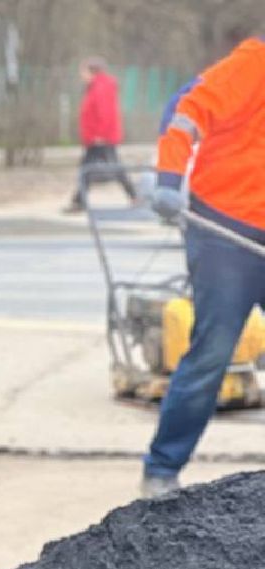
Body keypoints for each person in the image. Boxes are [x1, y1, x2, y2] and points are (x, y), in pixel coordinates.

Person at [142, 35, 265, 498]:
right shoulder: (255, 64)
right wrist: (169, 180)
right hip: (223, 232)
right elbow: (189, 115)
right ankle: (161, 470)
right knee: (213, 351)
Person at [66, 58, 137, 212]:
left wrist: (100, 134)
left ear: (92, 71)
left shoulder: (100, 87)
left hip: (101, 138)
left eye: (83, 71)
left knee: (107, 167)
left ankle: (133, 195)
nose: (81, 75)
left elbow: (104, 112)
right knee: (90, 167)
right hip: (96, 137)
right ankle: (79, 200)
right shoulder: (95, 87)